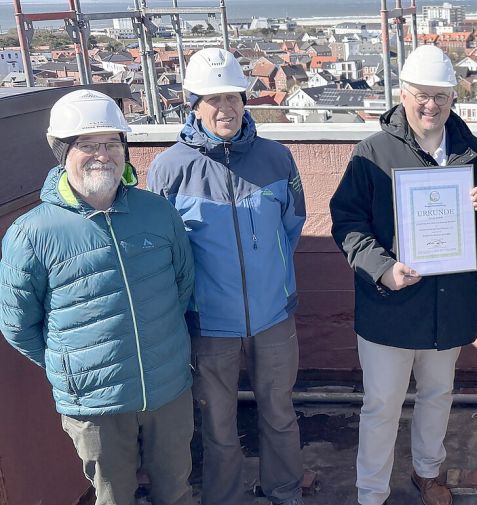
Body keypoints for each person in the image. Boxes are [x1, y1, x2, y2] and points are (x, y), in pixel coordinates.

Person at [330, 45, 477, 505]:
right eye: (421, 95)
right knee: (382, 405)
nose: (431, 106)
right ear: (403, 95)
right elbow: (347, 222)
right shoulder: (372, 152)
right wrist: (382, 268)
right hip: (390, 302)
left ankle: (428, 473)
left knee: (438, 392)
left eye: (442, 97)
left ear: (453, 99)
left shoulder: (471, 151)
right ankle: (371, 493)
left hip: (449, 301)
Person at [0, 89, 195, 505]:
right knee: (112, 498)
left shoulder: (157, 212)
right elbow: (18, 325)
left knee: (176, 491)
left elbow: (182, 285)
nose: (101, 155)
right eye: (87, 145)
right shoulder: (32, 233)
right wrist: (74, 365)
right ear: (61, 152)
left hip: (167, 388)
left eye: (111, 143)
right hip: (95, 404)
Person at [147, 48, 307, 505]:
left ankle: (285, 493)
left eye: (234, 96)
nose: (226, 108)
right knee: (217, 425)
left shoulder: (277, 158)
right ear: (193, 104)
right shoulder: (169, 169)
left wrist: (269, 281)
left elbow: (292, 225)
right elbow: (165, 251)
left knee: (279, 414)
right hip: (208, 324)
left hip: (273, 317)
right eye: (213, 99)